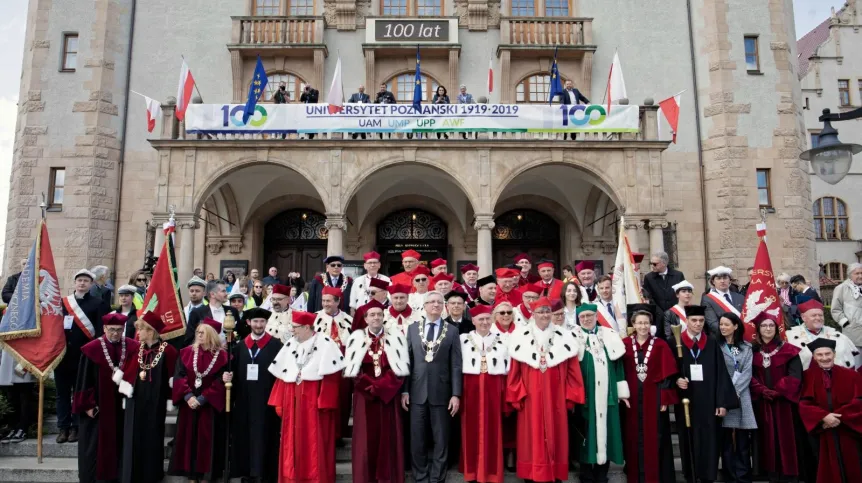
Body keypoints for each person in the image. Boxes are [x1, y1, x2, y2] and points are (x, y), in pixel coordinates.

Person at [506, 296, 584, 482]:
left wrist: (570, 396)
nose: (544, 315)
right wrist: (517, 395)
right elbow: (514, 372)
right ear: (533, 314)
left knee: (557, 435)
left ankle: (554, 474)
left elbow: (573, 371)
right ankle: (531, 475)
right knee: (530, 438)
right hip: (530, 399)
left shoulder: (564, 336)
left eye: (547, 311)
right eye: (540, 311)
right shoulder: (520, 336)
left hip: (556, 399)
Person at [268, 310, 345, 483]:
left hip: (314, 402)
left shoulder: (326, 344)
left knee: (313, 444)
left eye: (295, 327)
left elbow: (332, 377)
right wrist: (279, 402)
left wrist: (324, 402)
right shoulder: (291, 344)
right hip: (292, 400)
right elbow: (283, 375)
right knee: (291, 444)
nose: (292, 331)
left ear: (306, 327)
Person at [669, 305, 738, 483]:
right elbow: (668, 370)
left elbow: (721, 373)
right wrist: (677, 379)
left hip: (709, 401)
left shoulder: (712, 342)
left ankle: (708, 476)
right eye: (694, 320)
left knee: (710, 439)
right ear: (686, 321)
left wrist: (722, 403)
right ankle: (690, 475)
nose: (698, 324)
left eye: (701, 320)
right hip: (686, 400)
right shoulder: (675, 341)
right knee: (687, 437)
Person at [344, 299, 410, 483]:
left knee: (389, 440)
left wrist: (380, 388)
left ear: (384, 317)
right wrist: (370, 387)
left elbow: (400, 370)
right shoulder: (355, 338)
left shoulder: (396, 338)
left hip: (388, 397)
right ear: (365, 318)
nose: (376, 318)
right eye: (372, 315)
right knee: (366, 443)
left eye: (379, 314)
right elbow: (353, 371)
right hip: (365, 397)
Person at [401, 291, 463, 483]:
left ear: (443, 306)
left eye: (439, 302)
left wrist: (456, 394)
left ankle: (437, 478)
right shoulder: (412, 329)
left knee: (441, 438)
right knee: (417, 439)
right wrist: (404, 390)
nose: (435, 305)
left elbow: (455, 364)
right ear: (425, 306)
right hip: (416, 392)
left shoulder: (452, 330)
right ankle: (420, 476)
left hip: (442, 393)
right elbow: (407, 362)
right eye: (431, 302)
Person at [73, 313, 140, 483]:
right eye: (111, 330)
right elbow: (83, 379)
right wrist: (87, 404)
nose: (115, 334)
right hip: (99, 406)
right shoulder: (92, 349)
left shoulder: (133, 347)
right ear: (104, 329)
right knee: (97, 445)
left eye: (119, 330)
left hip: (123, 405)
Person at [571, 303, 630, 483]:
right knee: (586, 435)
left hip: (608, 397)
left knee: (607, 433)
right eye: (583, 317)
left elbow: (618, 366)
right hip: (585, 398)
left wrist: (622, 393)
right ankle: (586, 473)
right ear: (578, 319)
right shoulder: (573, 337)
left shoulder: (609, 336)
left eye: (590, 316)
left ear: (596, 316)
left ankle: (602, 473)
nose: (587, 319)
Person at [222, 307, 282, 482]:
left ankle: (264, 472)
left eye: (262, 321)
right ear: (248, 323)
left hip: (267, 400)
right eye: (255, 321)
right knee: (245, 436)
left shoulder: (276, 345)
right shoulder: (239, 347)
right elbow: (231, 372)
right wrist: (226, 376)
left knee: (265, 435)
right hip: (244, 400)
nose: (258, 325)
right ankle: (247, 472)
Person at [621, 305, 679, 483]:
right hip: (631, 399)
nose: (643, 326)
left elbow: (668, 374)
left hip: (653, 398)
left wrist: (664, 398)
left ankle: (653, 476)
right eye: (639, 323)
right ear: (633, 324)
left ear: (650, 324)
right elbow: (618, 371)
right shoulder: (624, 344)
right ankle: (634, 475)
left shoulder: (660, 344)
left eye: (646, 323)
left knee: (655, 438)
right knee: (632, 437)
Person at [748, 312, 807, 483]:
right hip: (761, 403)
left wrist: (777, 391)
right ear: (758, 329)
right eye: (764, 326)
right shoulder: (751, 350)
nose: (768, 328)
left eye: (771, 325)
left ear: (777, 328)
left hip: (785, 404)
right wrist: (762, 391)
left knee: (786, 437)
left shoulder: (789, 350)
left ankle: (789, 475)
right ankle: (769, 473)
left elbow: (795, 376)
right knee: (765, 439)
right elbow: (747, 374)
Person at [121, 311, 179, 483]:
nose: (138, 333)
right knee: (133, 436)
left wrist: (170, 398)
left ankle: (152, 475)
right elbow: (127, 373)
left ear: (151, 331)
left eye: (142, 330)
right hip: (136, 400)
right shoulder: (135, 349)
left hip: (156, 401)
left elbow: (173, 376)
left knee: (152, 436)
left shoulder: (168, 351)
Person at [169, 318, 229, 481]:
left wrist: (202, 399)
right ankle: (190, 474)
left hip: (208, 406)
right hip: (189, 404)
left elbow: (219, 381)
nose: (199, 335)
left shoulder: (222, 356)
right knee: (188, 439)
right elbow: (179, 376)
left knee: (206, 441)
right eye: (197, 332)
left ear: (211, 334)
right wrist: (188, 396)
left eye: (203, 332)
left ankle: (205, 474)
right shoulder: (186, 352)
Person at [458, 305, 510, 483]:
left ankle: (491, 473)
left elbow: (508, 368)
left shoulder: (502, 339)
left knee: (493, 429)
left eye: (488, 319)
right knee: (469, 429)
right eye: (481, 319)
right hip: (469, 388)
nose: (485, 322)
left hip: (493, 389)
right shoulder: (463, 339)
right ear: (473, 321)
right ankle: (472, 472)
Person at [58, 268, 110, 444]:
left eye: (86, 281)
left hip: (83, 356)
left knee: (78, 392)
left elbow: (100, 333)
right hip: (62, 355)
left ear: (91, 284)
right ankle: (62, 427)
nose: (82, 283)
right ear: (75, 282)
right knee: (62, 393)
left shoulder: (98, 303)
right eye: (79, 280)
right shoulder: (63, 303)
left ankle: (75, 427)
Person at [798, 337, 862, 482]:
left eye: (828, 354)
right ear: (814, 357)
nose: (824, 358)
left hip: (848, 429)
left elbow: (859, 400)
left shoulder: (852, 375)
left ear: (834, 354)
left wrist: (838, 418)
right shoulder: (806, 376)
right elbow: (804, 403)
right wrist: (823, 417)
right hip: (822, 430)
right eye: (820, 355)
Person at [718, 313, 756, 483]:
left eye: (727, 324)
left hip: (742, 396)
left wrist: (735, 392)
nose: (723, 328)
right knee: (727, 440)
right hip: (723, 397)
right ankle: (730, 474)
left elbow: (747, 372)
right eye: (721, 324)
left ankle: (743, 474)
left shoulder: (746, 347)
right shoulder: (716, 346)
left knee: (742, 440)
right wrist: (727, 394)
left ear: (735, 326)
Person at [313, 286, 353, 441]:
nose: (325, 304)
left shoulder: (348, 320)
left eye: (328, 301)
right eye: (323, 301)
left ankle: (339, 435)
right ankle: (322, 434)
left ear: (338, 302)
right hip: (321, 367)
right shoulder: (314, 318)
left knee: (342, 401)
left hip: (342, 368)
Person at [786, 298, 858, 370]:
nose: (818, 318)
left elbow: (851, 366)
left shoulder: (838, 336)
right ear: (803, 317)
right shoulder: (790, 337)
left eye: (820, 315)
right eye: (814, 315)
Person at [184, 280, 242, 347]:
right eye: (223, 291)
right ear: (212, 294)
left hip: (229, 354)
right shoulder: (197, 313)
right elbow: (189, 339)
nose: (226, 294)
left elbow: (239, 334)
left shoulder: (233, 311)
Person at [0, 345, 36, 444]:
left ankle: (22, 428)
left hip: (24, 360)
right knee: (11, 398)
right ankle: (12, 427)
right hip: (7, 360)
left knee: (24, 398)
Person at [830, 262, 862, 365]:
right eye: (857, 273)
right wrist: (846, 323)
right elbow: (835, 309)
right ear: (850, 274)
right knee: (856, 364)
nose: (860, 276)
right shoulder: (841, 288)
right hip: (852, 334)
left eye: (861, 273)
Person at [702, 266, 744, 336]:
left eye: (725, 278)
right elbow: (713, 323)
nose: (722, 281)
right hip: (720, 339)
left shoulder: (740, 297)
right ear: (713, 281)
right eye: (718, 278)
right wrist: (731, 334)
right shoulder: (707, 299)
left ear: (730, 280)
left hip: (741, 337)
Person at [642, 251, 686, 315]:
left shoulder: (678, 275)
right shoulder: (649, 278)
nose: (652, 266)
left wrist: (676, 309)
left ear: (664, 263)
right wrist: (659, 312)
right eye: (650, 263)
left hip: (676, 313)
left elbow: (683, 294)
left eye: (655, 264)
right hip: (658, 315)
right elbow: (648, 297)